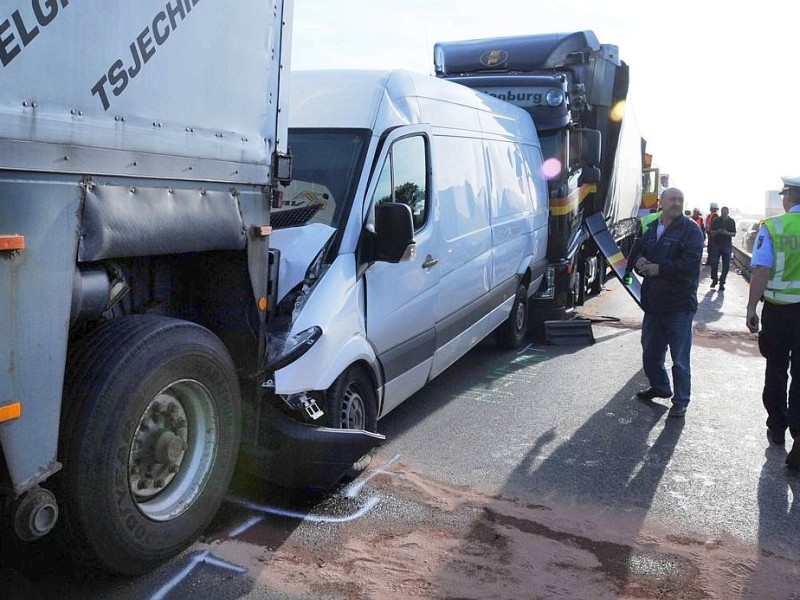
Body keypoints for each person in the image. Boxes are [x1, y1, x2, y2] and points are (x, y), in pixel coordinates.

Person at [632, 187, 704, 417]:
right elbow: (637, 253)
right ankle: (660, 386)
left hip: (679, 305)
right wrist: (640, 261)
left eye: (680, 199)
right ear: (661, 202)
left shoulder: (691, 230)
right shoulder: (652, 227)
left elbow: (692, 267)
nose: (677, 203)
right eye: (672, 199)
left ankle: (681, 401)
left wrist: (659, 269)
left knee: (680, 359)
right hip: (653, 304)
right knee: (650, 353)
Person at [746, 175, 800, 469]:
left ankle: (777, 427)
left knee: (777, 369)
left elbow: (762, 270)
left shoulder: (775, 227)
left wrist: (751, 307)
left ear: (788, 197)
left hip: (779, 311)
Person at [708, 205, 736, 290]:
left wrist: (727, 233)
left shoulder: (731, 221)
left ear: (728, 212)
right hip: (717, 244)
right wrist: (717, 231)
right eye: (723, 212)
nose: (724, 214)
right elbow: (711, 232)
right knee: (714, 263)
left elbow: (734, 233)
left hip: (727, 245)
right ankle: (714, 279)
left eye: (725, 212)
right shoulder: (716, 220)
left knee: (726, 265)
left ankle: (722, 282)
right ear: (721, 212)